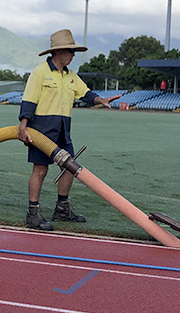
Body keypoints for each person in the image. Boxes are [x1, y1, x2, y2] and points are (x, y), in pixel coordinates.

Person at [17, 29, 120, 230]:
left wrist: (101, 100)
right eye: (70, 51)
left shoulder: (71, 76)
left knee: (70, 167)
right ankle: (33, 212)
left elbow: (86, 94)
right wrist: (23, 126)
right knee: (40, 170)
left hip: (63, 130)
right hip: (41, 130)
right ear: (58, 51)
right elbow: (29, 101)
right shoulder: (40, 72)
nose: (73, 55)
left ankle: (62, 209)